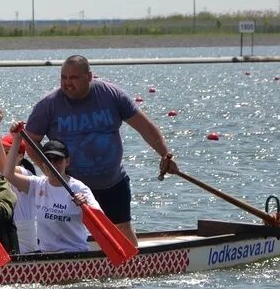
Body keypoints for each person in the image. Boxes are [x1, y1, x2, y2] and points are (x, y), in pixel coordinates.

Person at [26, 54, 177, 245]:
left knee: (122, 228)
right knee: (68, 233)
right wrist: (51, 171)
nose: (67, 83)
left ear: (89, 77)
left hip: (112, 183)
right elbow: (31, 142)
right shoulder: (48, 105)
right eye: (63, 77)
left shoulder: (112, 95)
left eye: (73, 78)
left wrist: (165, 154)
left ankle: (132, 269)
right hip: (72, 188)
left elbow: (145, 128)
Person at [0, 126, 99, 254]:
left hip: (75, 253)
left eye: (57, 159)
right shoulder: (37, 184)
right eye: (48, 159)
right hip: (46, 254)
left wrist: (86, 206)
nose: (52, 164)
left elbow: (98, 217)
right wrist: (17, 140)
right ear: (43, 162)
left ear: (67, 161)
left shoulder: (78, 188)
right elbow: (8, 174)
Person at [0, 111, 39, 254]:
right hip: (7, 236)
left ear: (20, 156)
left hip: (24, 246)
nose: (0, 154)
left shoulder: (25, 174)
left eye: (7, 151)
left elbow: (0, 164)